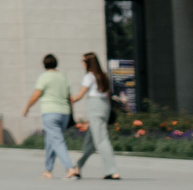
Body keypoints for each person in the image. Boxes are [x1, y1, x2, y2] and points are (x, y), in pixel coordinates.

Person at [20, 53, 74, 178]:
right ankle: (48, 170)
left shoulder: (44, 77)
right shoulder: (63, 76)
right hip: (64, 113)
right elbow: (69, 97)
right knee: (51, 140)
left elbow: (36, 94)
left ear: (44, 65)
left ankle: (70, 168)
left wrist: (27, 107)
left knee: (57, 141)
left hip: (50, 112)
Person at [69, 51, 119, 181]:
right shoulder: (103, 76)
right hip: (104, 107)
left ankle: (112, 171)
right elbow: (108, 96)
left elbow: (80, 95)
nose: (82, 63)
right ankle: (78, 166)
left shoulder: (89, 77)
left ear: (88, 63)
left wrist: (69, 100)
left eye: (83, 61)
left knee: (101, 139)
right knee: (90, 141)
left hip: (95, 107)